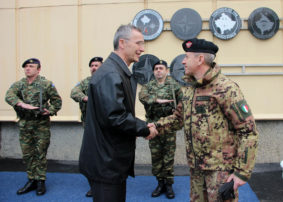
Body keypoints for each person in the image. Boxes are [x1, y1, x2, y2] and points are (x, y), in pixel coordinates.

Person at [150, 38, 258, 202]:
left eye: (186, 57)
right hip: (196, 168)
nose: (183, 62)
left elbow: (248, 131)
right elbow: (178, 119)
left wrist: (242, 172)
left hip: (220, 170)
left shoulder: (226, 88)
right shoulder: (189, 89)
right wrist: (153, 127)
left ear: (200, 59)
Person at [79, 24, 158, 202]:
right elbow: (115, 117)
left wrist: (140, 126)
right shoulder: (110, 74)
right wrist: (144, 128)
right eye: (138, 43)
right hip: (106, 162)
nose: (142, 49)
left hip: (110, 159)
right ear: (122, 43)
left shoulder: (117, 70)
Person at [5, 58, 62, 196]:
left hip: (40, 124)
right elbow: (9, 95)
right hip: (25, 124)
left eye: (31, 66)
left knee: (40, 153)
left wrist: (50, 110)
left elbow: (57, 101)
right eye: (26, 67)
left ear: (38, 69)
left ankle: (40, 181)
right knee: (27, 154)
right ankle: (32, 179)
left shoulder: (46, 84)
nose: (28, 69)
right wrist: (21, 104)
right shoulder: (19, 84)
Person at [139, 60, 183, 199]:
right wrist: (157, 100)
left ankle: (168, 185)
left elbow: (182, 102)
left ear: (166, 71)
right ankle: (160, 183)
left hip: (169, 126)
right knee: (156, 156)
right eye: (156, 68)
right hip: (153, 126)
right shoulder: (149, 86)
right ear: (153, 71)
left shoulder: (173, 86)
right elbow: (142, 96)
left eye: (161, 68)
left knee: (168, 156)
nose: (158, 71)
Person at [70, 56, 103, 197]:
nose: (94, 68)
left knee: (104, 156)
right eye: (92, 65)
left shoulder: (107, 81)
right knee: (92, 157)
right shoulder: (86, 82)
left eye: (97, 65)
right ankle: (94, 185)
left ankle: (105, 183)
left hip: (105, 126)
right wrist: (86, 98)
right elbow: (74, 92)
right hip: (90, 126)